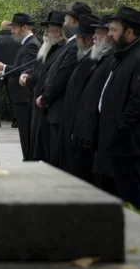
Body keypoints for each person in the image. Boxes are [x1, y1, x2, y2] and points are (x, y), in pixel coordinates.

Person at [94, 6, 140, 213]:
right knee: (123, 191)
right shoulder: (128, 53)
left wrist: (119, 129)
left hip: (129, 141)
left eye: (114, 30)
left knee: (133, 193)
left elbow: (139, 103)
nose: (110, 35)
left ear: (129, 32)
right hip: (121, 139)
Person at [34, 9, 86, 170]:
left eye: (66, 21)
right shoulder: (65, 46)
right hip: (52, 110)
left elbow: (60, 77)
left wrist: (45, 96)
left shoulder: (72, 47)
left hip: (59, 111)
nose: (64, 25)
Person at [63, 15, 109, 183]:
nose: (94, 37)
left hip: (87, 132)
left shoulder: (101, 60)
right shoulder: (90, 58)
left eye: (98, 34)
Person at [24, 11, 67, 162]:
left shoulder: (62, 50)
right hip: (40, 106)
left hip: (48, 107)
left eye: (48, 30)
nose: (45, 34)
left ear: (58, 32)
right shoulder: (51, 48)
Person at [0, 14, 38, 160]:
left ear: (25, 27)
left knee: (26, 134)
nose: (12, 31)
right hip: (20, 97)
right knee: (24, 134)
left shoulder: (32, 44)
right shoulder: (26, 44)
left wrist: (4, 68)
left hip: (24, 96)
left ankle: (29, 159)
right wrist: (3, 71)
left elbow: (25, 69)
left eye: (15, 27)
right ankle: (27, 158)